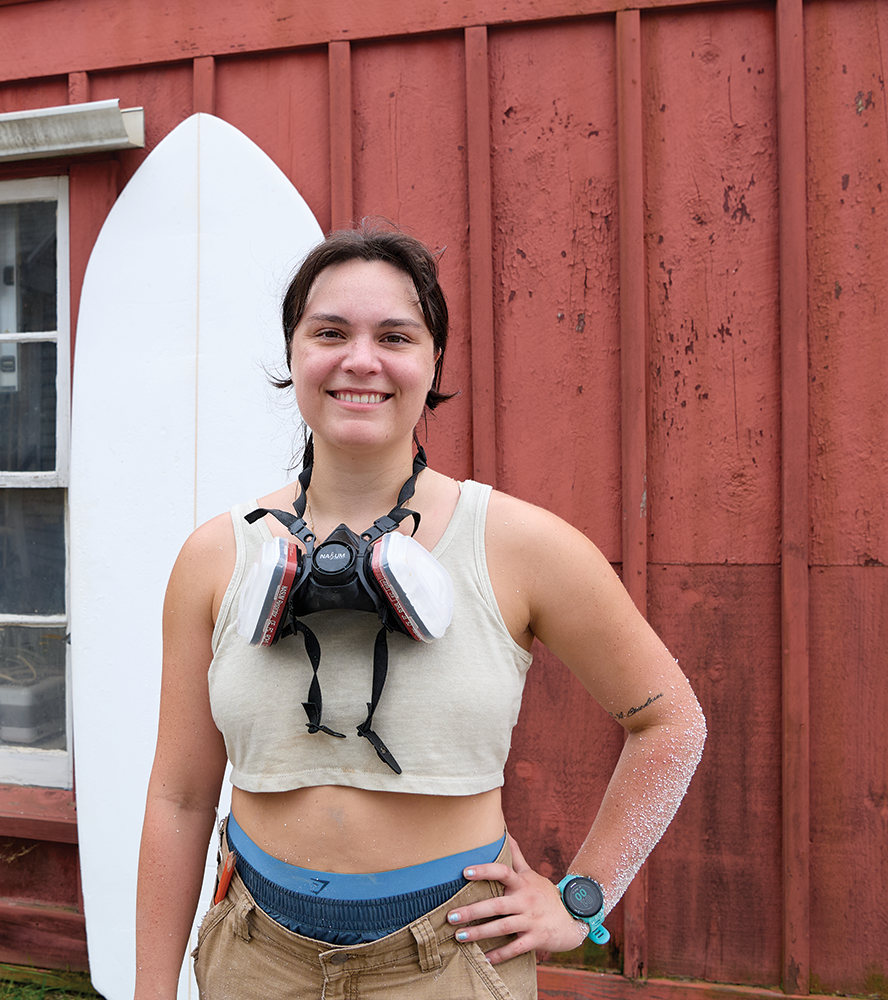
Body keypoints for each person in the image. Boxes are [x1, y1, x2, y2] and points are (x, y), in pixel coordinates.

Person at [135, 223, 706, 999]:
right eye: (329, 332)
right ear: (294, 354)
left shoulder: (520, 544)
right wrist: (149, 987)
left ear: (432, 359)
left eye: (394, 335)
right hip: (254, 958)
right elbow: (179, 795)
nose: (359, 360)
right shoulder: (216, 556)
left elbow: (671, 723)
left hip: (447, 963)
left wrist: (584, 898)